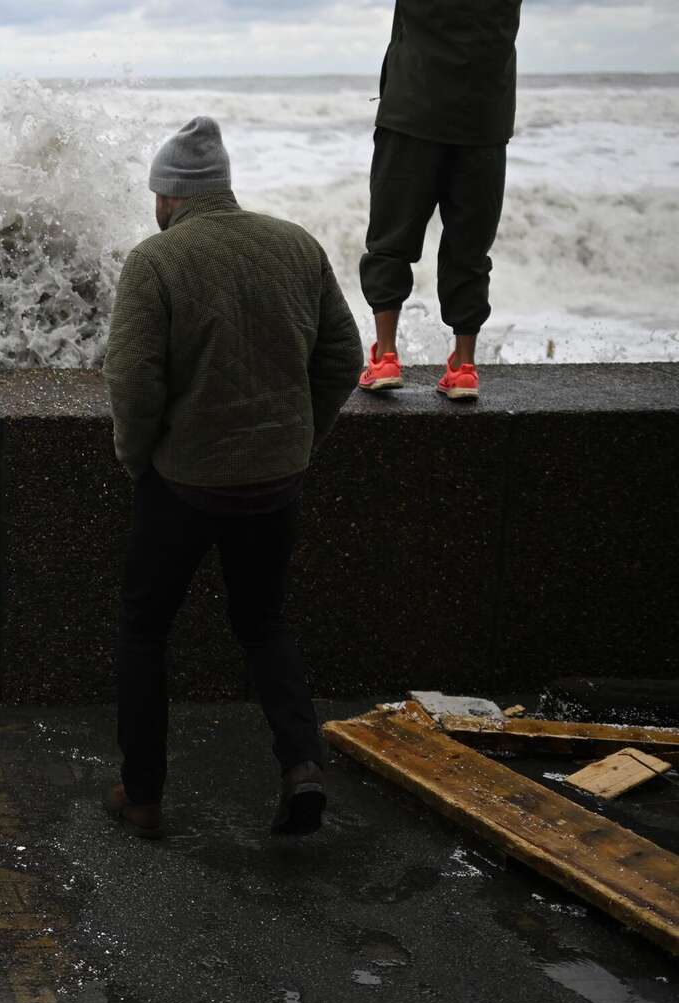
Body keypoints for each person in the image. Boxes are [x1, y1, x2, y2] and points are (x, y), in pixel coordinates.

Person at [103, 117, 364, 840]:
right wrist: (297, 437)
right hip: (276, 481)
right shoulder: (295, 244)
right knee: (264, 623)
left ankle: (144, 794)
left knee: (143, 630)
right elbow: (344, 356)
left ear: (169, 195)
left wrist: (138, 460)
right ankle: (301, 766)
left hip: (184, 485)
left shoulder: (155, 261)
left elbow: (133, 383)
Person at [357, 0, 523, 401]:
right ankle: (464, 366)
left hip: (412, 111)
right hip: (484, 118)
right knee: (469, 246)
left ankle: (386, 356)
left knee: (391, 238)